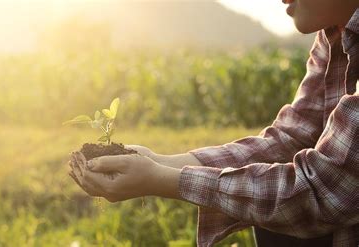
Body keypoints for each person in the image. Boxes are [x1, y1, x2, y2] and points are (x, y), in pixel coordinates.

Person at [69, 0, 359, 246]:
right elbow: (291, 138)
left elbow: (323, 190)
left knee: (281, 213)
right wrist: (163, 162)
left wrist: (160, 179)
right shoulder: (334, 33)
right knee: (269, 215)